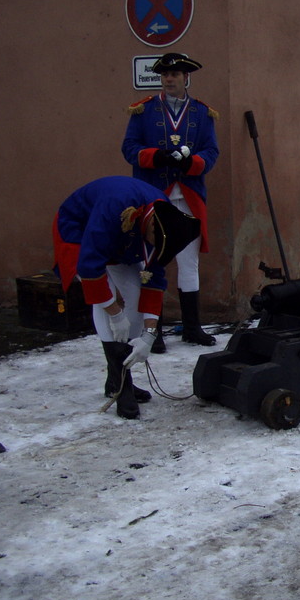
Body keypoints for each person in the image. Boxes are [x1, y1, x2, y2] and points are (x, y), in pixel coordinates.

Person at [53, 176, 201, 419]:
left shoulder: (167, 221)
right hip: (79, 231)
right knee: (105, 302)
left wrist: (148, 335)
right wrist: (115, 313)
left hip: (125, 240)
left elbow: (153, 280)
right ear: (151, 230)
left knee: (135, 291)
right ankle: (122, 386)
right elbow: (91, 269)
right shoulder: (114, 209)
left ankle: (115, 379)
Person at [122, 52, 219, 350]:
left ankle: (192, 328)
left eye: (175, 75)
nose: (169, 79)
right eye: (165, 75)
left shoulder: (202, 114)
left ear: (186, 78)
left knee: (189, 265)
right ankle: (155, 331)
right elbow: (129, 148)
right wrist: (157, 157)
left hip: (188, 199)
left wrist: (193, 163)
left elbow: (211, 152)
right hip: (155, 198)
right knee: (153, 264)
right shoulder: (143, 111)